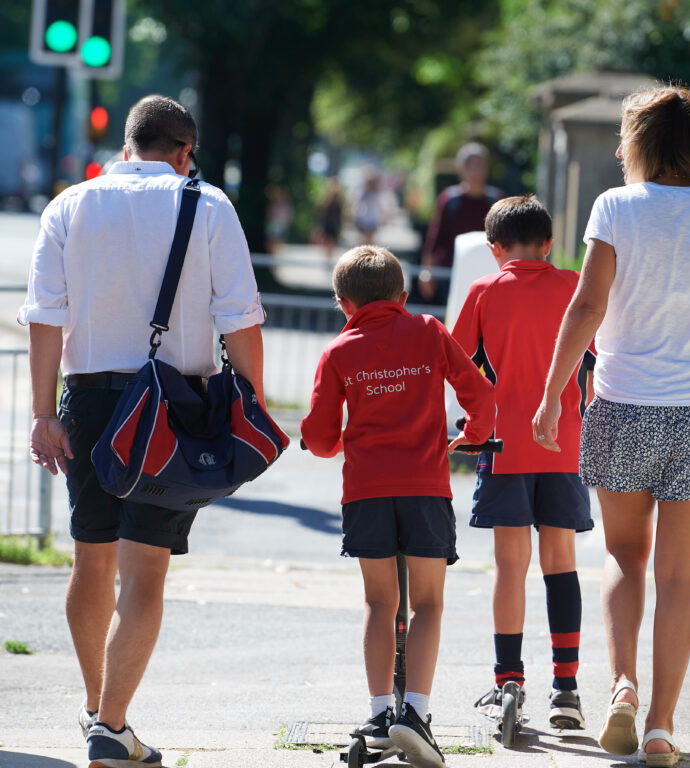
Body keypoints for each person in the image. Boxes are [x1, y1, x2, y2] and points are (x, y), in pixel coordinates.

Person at [17, 95, 267, 768]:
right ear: (185, 151)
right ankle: (111, 724)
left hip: (90, 400)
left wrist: (43, 412)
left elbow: (45, 316)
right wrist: (253, 403)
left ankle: (99, 709)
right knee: (145, 573)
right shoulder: (209, 205)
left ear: (126, 146)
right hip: (170, 408)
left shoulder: (69, 205)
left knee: (90, 558)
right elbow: (240, 318)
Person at [532, 85, 690, 766]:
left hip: (623, 404)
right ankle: (663, 727)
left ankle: (623, 687)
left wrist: (552, 395)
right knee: (676, 576)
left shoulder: (616, 207)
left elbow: (586, 305)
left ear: (637, 146)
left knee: (622, 557)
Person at [301, 245, 495, 768]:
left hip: (365, 490)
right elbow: (481, 396)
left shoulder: (338, 353)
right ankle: (417, 714)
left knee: (378, 603)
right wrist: (473, 435)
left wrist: (339, 439)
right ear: (403, 297)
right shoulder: (429, 331)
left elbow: (319, 439)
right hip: (426, 487)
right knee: (427, 603)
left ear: (344, 304)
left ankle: (380, 710)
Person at [452, 195, 595, 732]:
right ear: (551, 244)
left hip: (504, 446)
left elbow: (459, 366)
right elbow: (601, 353)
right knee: (561, 563)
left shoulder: (485, 292)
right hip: (565, 444)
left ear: (495, 249)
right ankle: (567, 688)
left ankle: (508, 680)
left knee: (510, 567)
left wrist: (469, 425)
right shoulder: (573, 287)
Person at [419, 143, 503, 303]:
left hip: (487, 275)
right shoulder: (450, 200)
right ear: (462, 169)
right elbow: (435, 238)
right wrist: (426, 272)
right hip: (452, 274)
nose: (477, 171)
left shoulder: (497, 200)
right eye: (472, 166)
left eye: (481, 165)